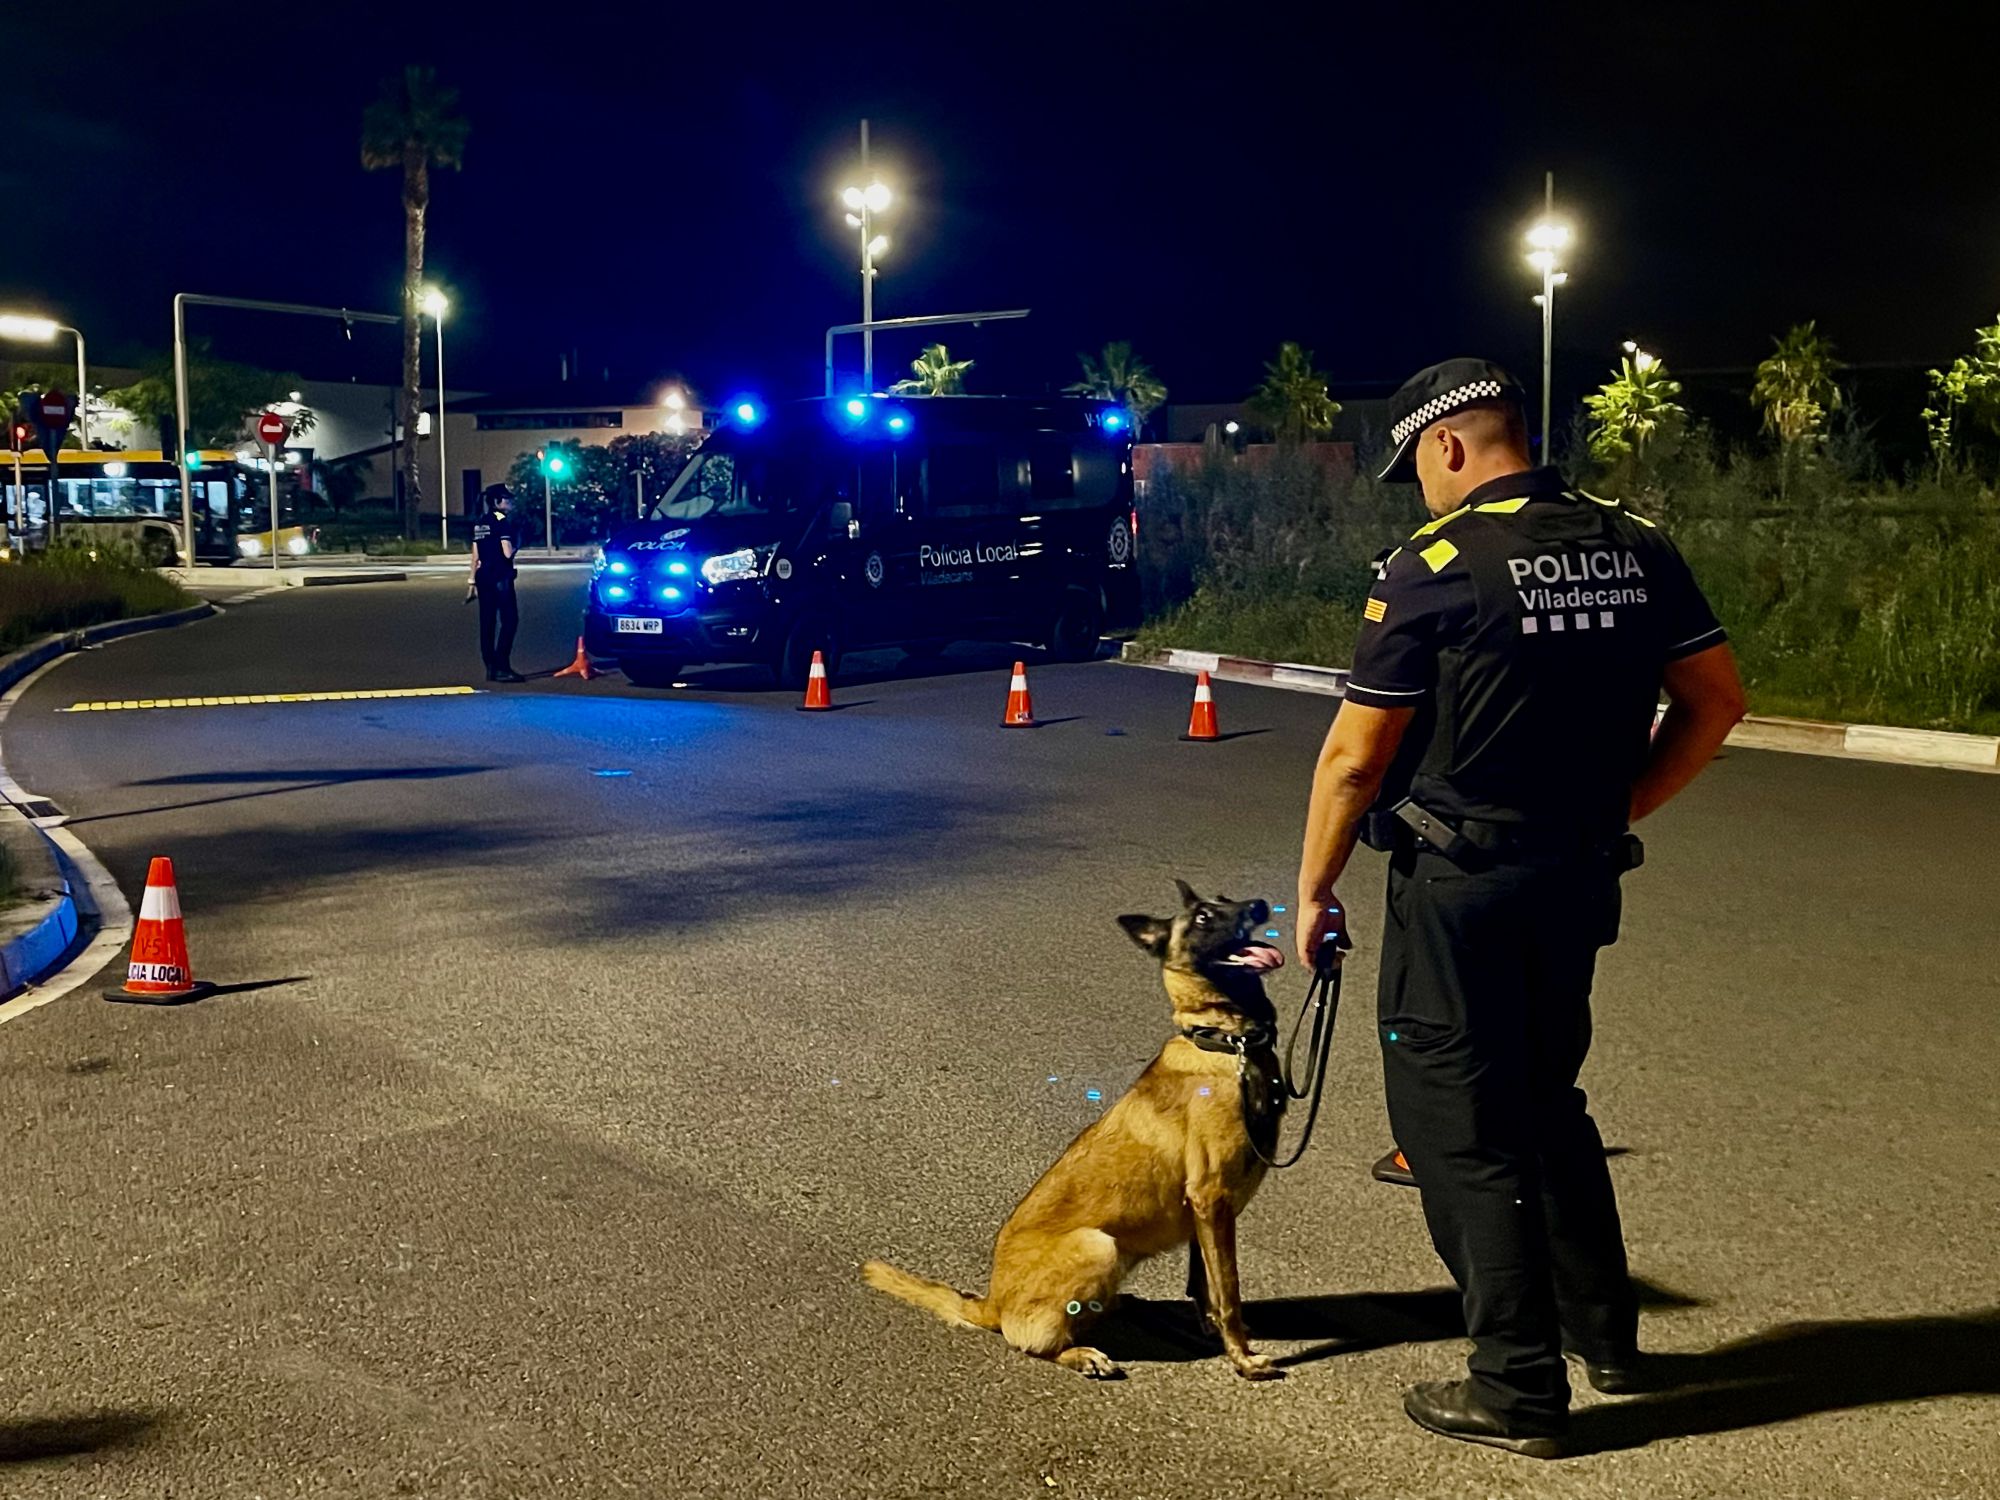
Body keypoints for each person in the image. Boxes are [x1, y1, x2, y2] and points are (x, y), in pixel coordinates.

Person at [1294, 358, 1747, 1458]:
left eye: (1416, 469)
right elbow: (1715, 702)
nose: (1420, 490)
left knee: (1459, 1133)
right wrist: (1619, 803)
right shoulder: (1632, 543)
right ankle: (1608, 1342)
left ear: (1445, 446)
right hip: (1576, 874)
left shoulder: (1430, 567)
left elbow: (1356, 760)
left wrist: (1313, 886)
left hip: (1458, 890)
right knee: (1549, 1102)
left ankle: (1515, 1387)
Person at [468, 483, 523, 682]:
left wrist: (471, 581)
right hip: (501, 577)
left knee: (487, 622)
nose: (510, 503)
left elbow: (475, 555)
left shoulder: (480, 522)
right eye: (506, 500)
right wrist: (517, 545)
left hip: (483, 577)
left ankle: (490, 667)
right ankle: (502, 665)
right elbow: (507, 552)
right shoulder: (502, 522)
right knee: (510, 621)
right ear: (496, 502)